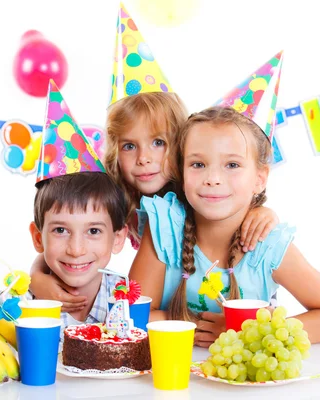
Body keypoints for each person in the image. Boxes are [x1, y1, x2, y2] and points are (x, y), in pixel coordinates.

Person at [28, 4, 279, 311]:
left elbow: (244, 213)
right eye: (129, 146)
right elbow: (65, 232)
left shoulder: (202, 191)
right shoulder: (117, 195)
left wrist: (265, 213)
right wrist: (37, 274)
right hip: (162, 313)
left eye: (158, 142)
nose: (144, 159)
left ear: (182, 145)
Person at [130, 106, 320, 347]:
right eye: (198, 164)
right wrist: (201, 324)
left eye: (232, 165)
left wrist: (251, 331)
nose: (213, 178)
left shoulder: (268, 245)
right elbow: (130, 317)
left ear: (259, 179)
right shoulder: (164, 229)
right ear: (181, 174)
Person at [30, 172, 128, 327]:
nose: (76, 250)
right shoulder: (14, 307)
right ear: (37, 238)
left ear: (117, 239)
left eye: (93, 231)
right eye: (60, 230)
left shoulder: (130, 301)